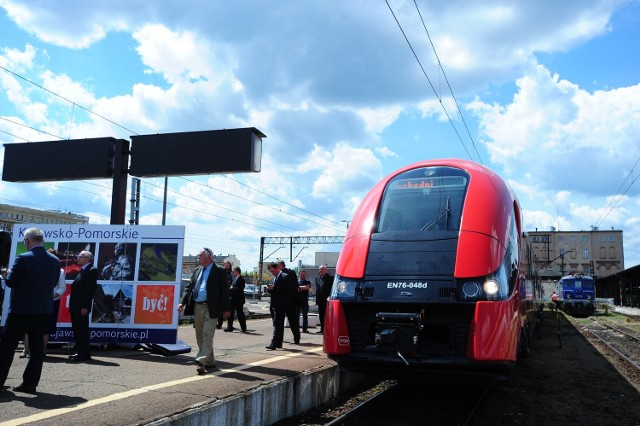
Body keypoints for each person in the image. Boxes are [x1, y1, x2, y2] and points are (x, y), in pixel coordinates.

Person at [0, 227, 60, 395]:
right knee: (37, 348)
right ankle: (30, 384)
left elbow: (11, 282)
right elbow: (54, 282)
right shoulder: (54, 260)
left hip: (21, 310)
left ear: (27, 241)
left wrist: (8, 273)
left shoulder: (23, 258)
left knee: (7, 346)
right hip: (43, 310)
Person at [178, 248, 230, 374]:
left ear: (209, 257)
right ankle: (210, 361)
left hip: (211, 307)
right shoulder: (197, 270)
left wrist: (227, 309)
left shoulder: (219, 271)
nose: (198, 258)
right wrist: (182, 302)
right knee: (200, 336)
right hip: (197, 306)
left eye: (200, 256)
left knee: (207, 334)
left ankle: (201, 362)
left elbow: (225, 291)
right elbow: (189, 288)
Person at [20, 249, 66, 358]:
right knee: (29, 325)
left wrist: (49, 297)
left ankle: (43, 350)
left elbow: (62, 288)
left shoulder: (60, 271)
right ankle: (26, 349)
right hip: (34, 301)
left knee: (47, 327)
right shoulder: (36, 267)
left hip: (51, 303)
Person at [69, 250, 98, 362]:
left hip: (81, 308)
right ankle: (81, 352)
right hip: (76, 306)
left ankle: (84, 354)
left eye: (79, 256)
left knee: (82, 330)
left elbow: (90, 290)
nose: (77, 258)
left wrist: (85, 306)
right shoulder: (83, 270)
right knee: (77, 330)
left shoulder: (92, 270)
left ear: (87, 258)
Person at [266, 262, 289, 350]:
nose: (272, 273)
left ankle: (273, 343)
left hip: (281, 304)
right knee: (278, 324)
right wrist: (270, 289)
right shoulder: (274, 278)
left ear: (277, 268)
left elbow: (286, 291)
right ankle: (279, 343)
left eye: (273, 271)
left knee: (277, 324)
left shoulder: (284, 276)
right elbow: (274, 291)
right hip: (274, 304)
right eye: (271, 272)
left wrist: (274, 288)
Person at [278, 260, 300, 344]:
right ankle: (296, 338)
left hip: (284, 301)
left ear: (280, 266)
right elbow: (296, 286)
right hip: (292, 301)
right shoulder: (292, 273)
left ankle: (280, 339)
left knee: (280, 321)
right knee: (293, 321)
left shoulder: (281, 275)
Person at [225, 266, 247, 332]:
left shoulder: (241, 279)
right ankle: (229, 327)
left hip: (239, 300)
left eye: (233, 271)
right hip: (232, 299)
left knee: (240, 314)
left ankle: (243, 328)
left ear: (237, 272)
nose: (232, 272)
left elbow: (240, 289)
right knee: (230, 314)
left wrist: (231, 288)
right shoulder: (234, 279)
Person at [315, 265, 333, 334]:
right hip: (320, 301)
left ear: (325, 270)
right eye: (319, 269)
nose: (320, 271)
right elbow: (317, 289)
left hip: (327, 301)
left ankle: (328, 329)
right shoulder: (317, 278)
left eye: (322, 269)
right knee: (321, 315)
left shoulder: (330, 278)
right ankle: (322, 329)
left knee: (327, 316)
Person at [217, 260, 233, 330]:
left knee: (226, 309)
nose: (226, 266)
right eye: (225, 265)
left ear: (230, 266)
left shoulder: (231, 274)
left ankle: (228, 325)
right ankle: (219, 323)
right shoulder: (220, 272)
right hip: (220, 292)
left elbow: (233, 282)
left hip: (228, 292)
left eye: (228, 265)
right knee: (219, 308)